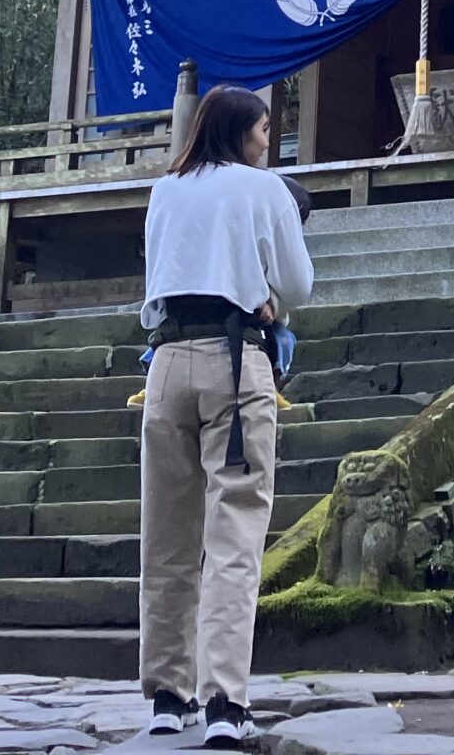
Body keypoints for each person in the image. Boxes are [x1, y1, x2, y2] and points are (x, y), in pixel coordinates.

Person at [135, 85, 314, 748]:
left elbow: (157, 281)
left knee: (167, 536)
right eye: (265, 130)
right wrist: (265, 296)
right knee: (233, 535)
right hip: (235, 362)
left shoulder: (165, 189)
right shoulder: (261, 189)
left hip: (166, 363)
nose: (268, 141)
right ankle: (223, 703)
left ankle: (165, 692)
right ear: (243, 132)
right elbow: (297, 285)